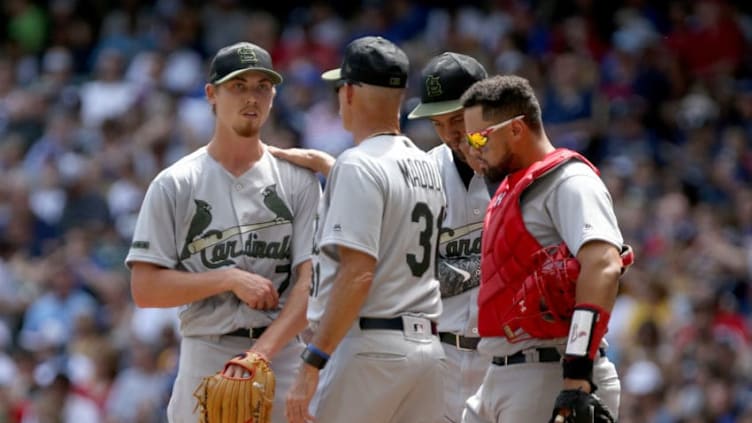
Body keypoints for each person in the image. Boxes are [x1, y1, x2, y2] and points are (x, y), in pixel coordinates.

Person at [125, 41, 321, 423]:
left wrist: (259, 354)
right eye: (238, 86)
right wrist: (227, 278)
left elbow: (310, 285)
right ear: (211, 94)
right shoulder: (176, 183)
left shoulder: (298, 180)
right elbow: (144, 289)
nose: (252, 97)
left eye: (262, 87)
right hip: (206, 354)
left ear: (274, 95)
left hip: (279, 355)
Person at [283, 36, 447, 423]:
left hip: (370, 349)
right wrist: (331, 170)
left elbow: (358, 273)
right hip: (427, 351)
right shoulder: (426, 165)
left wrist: (312, 362)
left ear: (350, 93)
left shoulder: (357, 165)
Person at [459, 75, 632, 422]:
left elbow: (603, 264)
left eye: (480, 137)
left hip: (550, 372)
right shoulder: (512, 188)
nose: (474, 148)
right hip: (502, 373)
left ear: (517, 130)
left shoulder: (571, 181)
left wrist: (577, 376)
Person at [406, 52, 490, 423]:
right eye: (438, 123)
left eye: (457, 118)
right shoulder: (421, 174)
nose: (450, 134)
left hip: (507, 359)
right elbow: (411, 278)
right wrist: (497, 264)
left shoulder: (523, 170)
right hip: (440, 358)